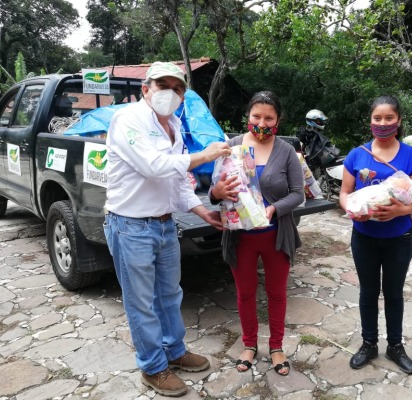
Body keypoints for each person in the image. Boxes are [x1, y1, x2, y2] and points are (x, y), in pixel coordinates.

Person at [103, 61, 231, 397]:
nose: (170, 93)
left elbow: (177, 181)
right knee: (142, 303)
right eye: (163, 86)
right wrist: (204, 155)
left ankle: (174, 351)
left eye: (178, 88)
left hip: (163, 226)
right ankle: (152, 366)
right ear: (146, 89)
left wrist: (203, 211)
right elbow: (153, 166)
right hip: (130, 227)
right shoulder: (128, 119)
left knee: (170, 295)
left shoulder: (173, 124)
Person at [209, 91, 305, 376]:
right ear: (248, 116)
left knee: (276, 294)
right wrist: (217, 192)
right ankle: (249, 344)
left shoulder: (286, 151)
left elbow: (298, 194)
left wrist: (274, 208)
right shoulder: (232, 146)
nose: (262, 123)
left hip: (275, 235)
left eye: (269, 118)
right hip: (241, 238)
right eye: (256, 116)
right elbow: (214, 190)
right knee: (245, 293)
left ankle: (277, 347)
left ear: (278, 120)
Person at [339, 96, 412, 374]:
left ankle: (395, 346)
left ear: (399, 121)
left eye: (389, 118)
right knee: (367, 291)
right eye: (378, 118)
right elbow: (344, 193)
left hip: (398, 236)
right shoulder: (356, 154)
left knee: (393, 293)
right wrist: (353, 210)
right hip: (363, 235)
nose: (383, 123)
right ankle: (368, 343)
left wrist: (400, 211)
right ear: (371, 121)